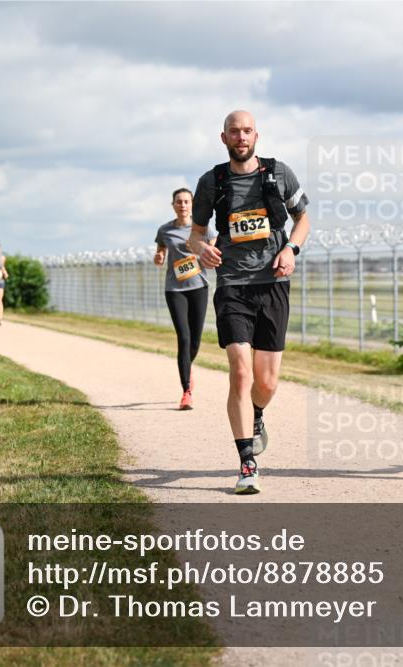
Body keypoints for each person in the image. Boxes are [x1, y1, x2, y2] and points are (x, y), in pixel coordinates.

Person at [188, 110, 310, 495]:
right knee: (240, 371)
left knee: (267, 382)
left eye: (247, 131)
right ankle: (246, 462)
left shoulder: (278, 174)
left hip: (272, 282)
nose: (241, 137)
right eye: (234, 132)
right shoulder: (212, 182)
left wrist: (291, 248)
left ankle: (256, 414)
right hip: (233, 285)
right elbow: (195, 235)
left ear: (256, 135)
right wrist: (202, 250)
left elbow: (303, 219)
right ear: (223, 138)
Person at [154, 187, 217, 410]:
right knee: (184, 337)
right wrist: (160, 255)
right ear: (173, 205)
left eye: (186, 201)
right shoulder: (165, 230)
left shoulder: (203, 230)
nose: (182, 205)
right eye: (179, 202)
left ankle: (187, 369)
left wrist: (209, 252)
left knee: (195, 341)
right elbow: (161, 247)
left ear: (192, 205)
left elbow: (213, 250)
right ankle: (186, 391)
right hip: (174, 289)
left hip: (198, 286)